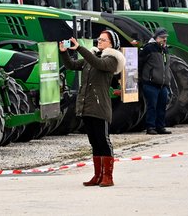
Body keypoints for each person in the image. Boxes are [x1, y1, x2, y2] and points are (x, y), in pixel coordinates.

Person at [59, 30, 125, 187]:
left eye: (103, 40)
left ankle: (108, 176)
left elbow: (98, 64)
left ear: (111, 44)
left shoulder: (111, 60)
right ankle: (98, 175)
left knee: (103, 140)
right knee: (94, 142)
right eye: (99, 39)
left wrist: (80, 48)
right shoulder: (92, 57)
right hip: (87, 105)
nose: (99, 41)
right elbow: (71, 65)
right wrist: (64, 53)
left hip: (100, 106)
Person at [139, 27, 173, 135]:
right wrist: (141, 79)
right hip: (151, 83)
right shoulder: (148, 48)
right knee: (152, 106)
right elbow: (140, 63)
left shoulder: (165, 49)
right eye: (162, 38)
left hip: (163, 84)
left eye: (165, 38)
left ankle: (160, 127)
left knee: (162, 106)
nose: (165, 40)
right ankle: (150, 127)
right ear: (156, 38)